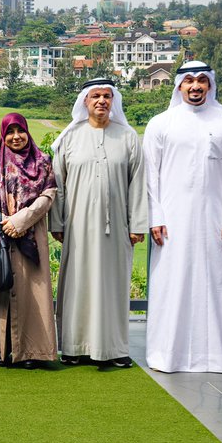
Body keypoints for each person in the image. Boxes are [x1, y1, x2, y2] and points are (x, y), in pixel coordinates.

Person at [143, 61, 222, 373]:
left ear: (211, 85)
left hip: (216, 221)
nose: (196, 86)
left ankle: (214, 358)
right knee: (171, 284)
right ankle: (166, 355)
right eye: (189, 81)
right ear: (179, 86)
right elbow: (151, 176)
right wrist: (155, 216)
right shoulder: (161, 123)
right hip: (171, 221)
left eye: (202, 81)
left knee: (215, 284)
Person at [49, 79, 146, 368]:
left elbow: (138, 183)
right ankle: (74, 347)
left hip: (115, 227)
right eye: (95, 96)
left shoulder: (127, 137)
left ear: (113, 101)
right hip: (76, 226)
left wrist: (137, 224)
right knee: (77, 283)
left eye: (107, 96)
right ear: (85, 101)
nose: (101, 101)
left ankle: (114, 348)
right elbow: (59, 184)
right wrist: (58, 222)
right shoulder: (69, 137)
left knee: (113, 285)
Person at [0, 112, 58, 368]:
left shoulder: (42, 161)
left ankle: (32, 350)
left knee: (32, 292)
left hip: (29, 235)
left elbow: (49, 192)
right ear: (3, 134)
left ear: (27, 132)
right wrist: (2, 222)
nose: (16, 137)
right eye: (10, 132)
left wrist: (21, 221)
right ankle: (0, 348)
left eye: (20, 131)